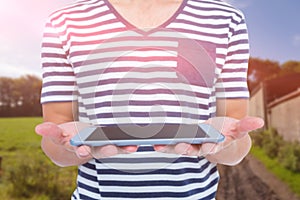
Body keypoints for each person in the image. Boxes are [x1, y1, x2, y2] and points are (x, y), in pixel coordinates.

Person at [35, 0, 264, 199]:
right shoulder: (64, 22)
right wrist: (69, 145)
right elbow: (54, 142)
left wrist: (225, 142)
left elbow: (237, 142)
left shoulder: (225, 19)